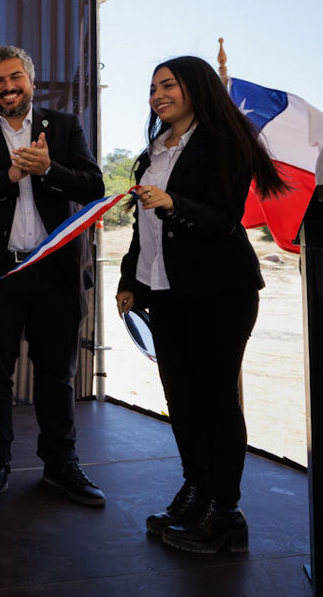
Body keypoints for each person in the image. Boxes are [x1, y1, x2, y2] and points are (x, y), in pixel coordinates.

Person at [115, 56, 287, 553]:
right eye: (152, 88)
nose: (157, 95)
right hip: (165, 294)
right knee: (183, 403)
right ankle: (195, 489)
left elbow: (223, 221)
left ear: (197, 88)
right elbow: (142, 226)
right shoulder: (154, 151)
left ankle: (225, 511)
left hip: (219, 293)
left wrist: (174, 204)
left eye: (168, 85)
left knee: (215, 403)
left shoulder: (225, 144)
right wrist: (131, 280)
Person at [0, 46, 105, 509]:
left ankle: (61, 466)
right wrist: (9, 175)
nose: (8, 87)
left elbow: (93, 186)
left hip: (55, 275)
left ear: (31, 81)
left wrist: (49, 170)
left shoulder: (65, 127)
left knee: (58, 376)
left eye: (15, 77)